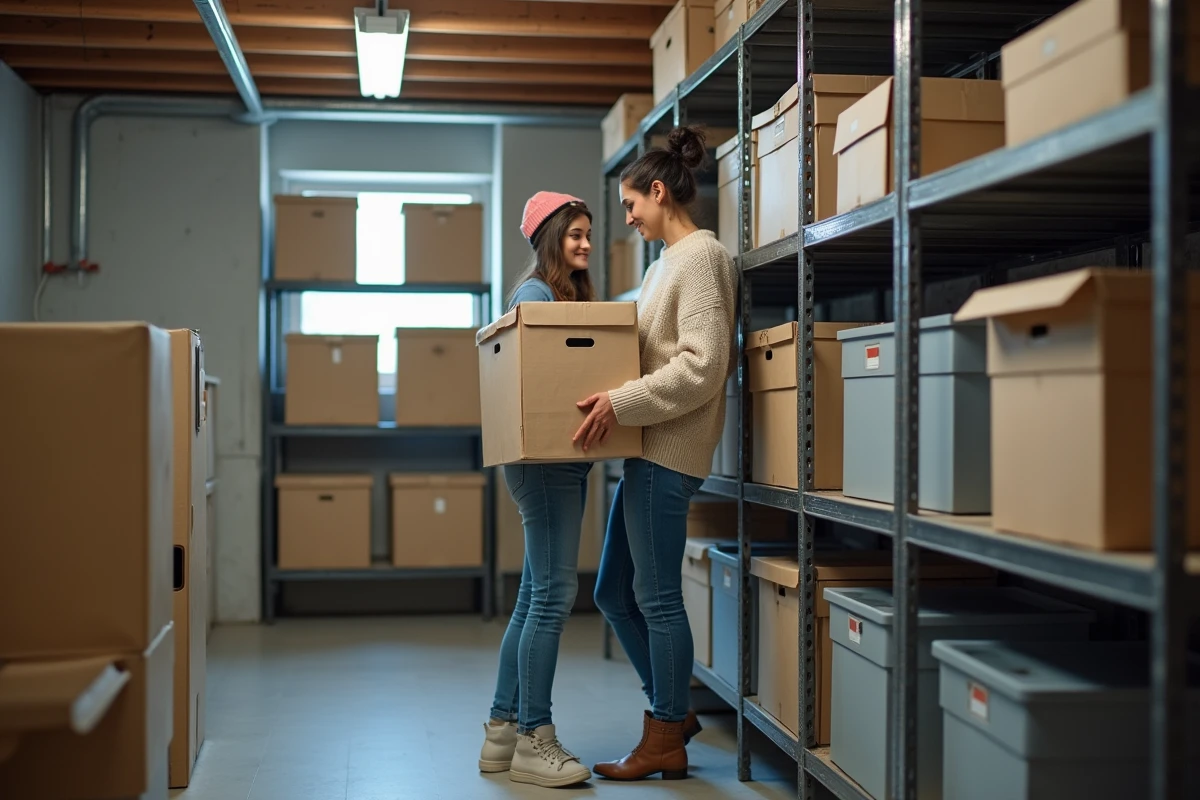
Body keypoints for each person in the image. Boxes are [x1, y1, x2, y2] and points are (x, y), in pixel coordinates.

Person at [575, 125, 737, 781]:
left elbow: (703, 367)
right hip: (642, 450)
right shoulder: (659, 267)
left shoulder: (702, 257)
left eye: (631, 205)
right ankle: (672, 710)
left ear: (659, 191)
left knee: (658, 597)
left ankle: (665, 731)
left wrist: (620, 402)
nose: (629, 218)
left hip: (668, 451)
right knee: (615, 590)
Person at [479, 191, 596, 789]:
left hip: (559, 464)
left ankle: (501, 733)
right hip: (544, 464)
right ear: (550, 238)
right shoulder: (535, 296)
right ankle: (534, 737)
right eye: (574, 234)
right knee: (553, 595)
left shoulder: (567, 297)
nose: (585, 244)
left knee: (533, 595)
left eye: (588, 234)